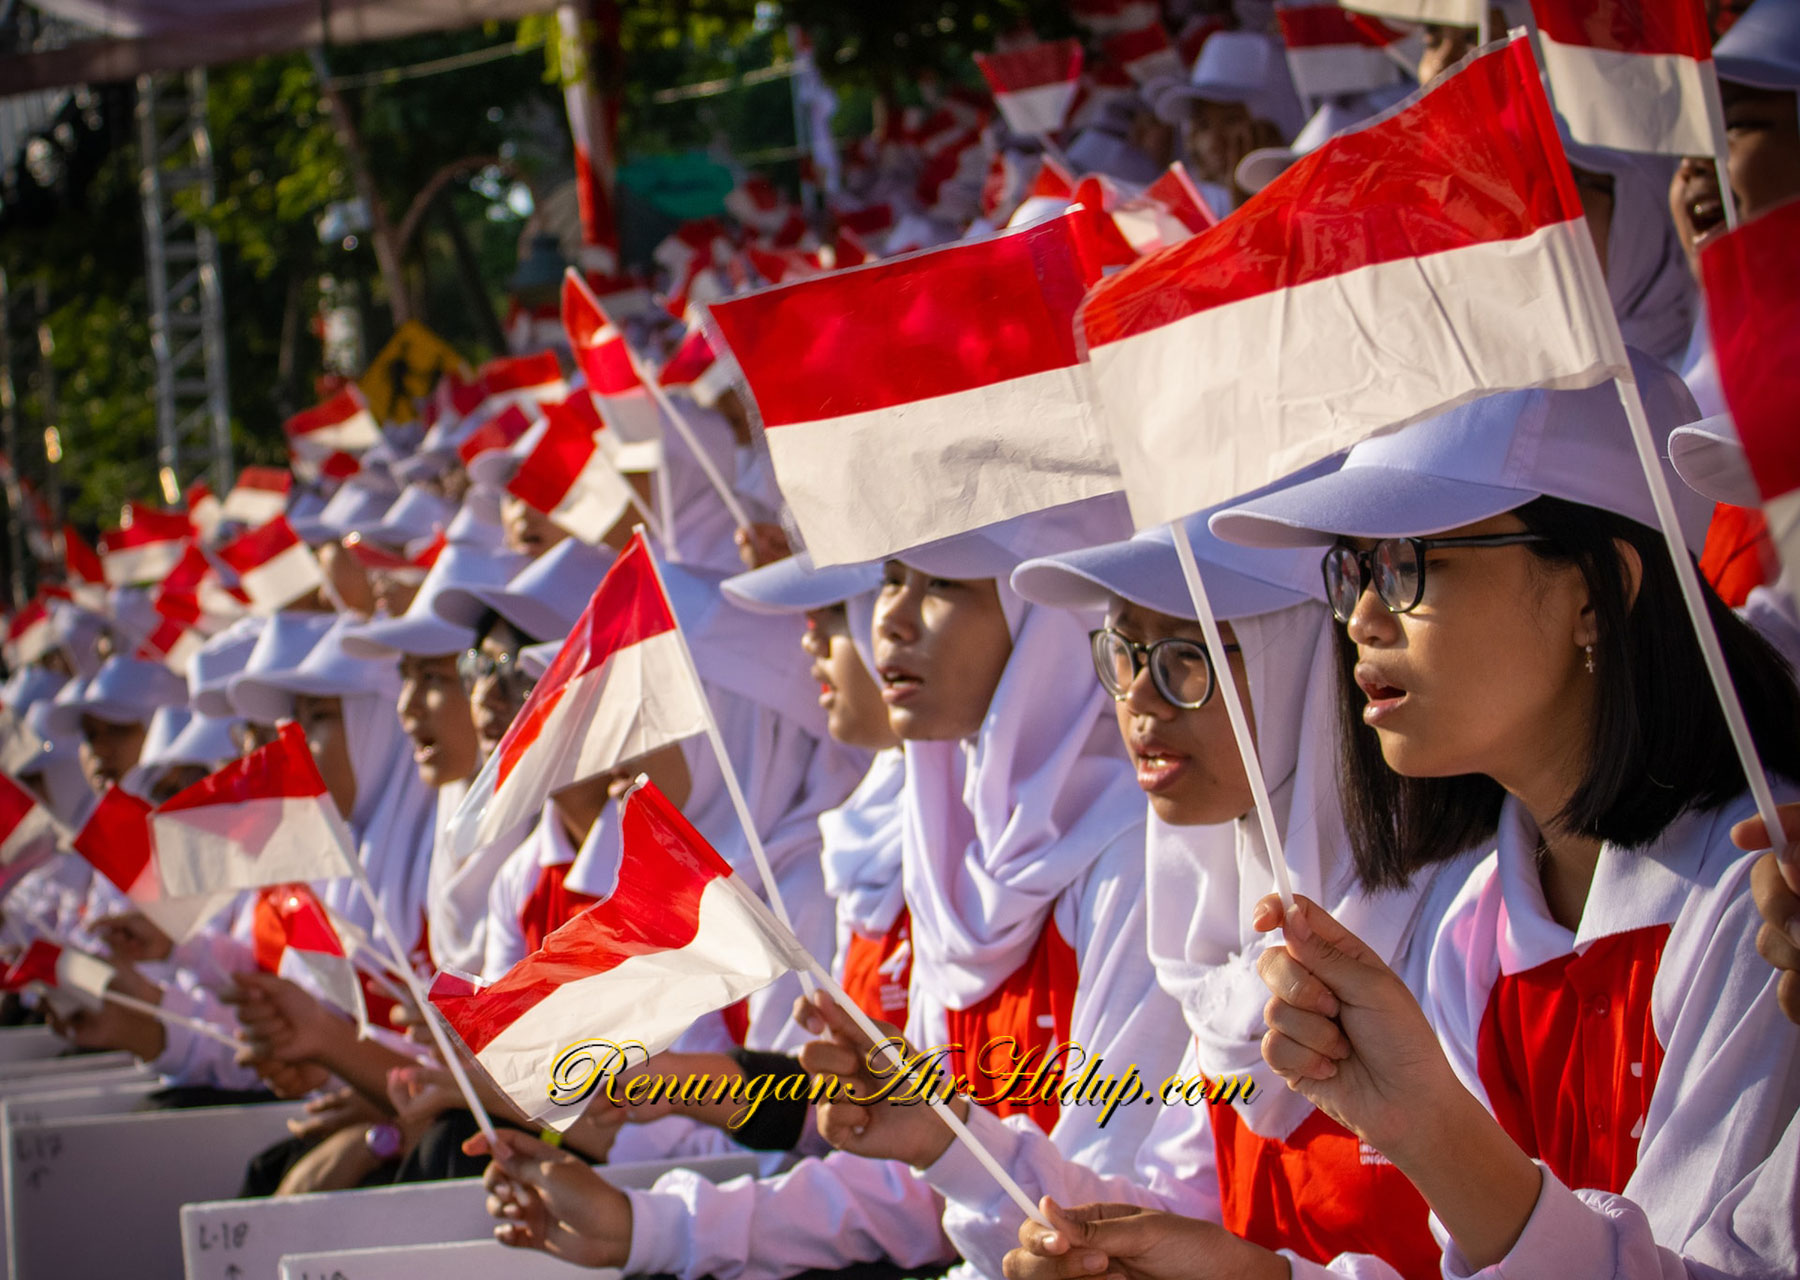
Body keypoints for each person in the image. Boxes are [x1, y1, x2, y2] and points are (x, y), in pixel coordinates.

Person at [1015, 363, 1800, 1277]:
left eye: (1409, 565)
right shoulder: (1485, 918)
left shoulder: (1761, 897)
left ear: (1597, 591)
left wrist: (1426, 1128)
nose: (1362, 619)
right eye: (1353, 572)